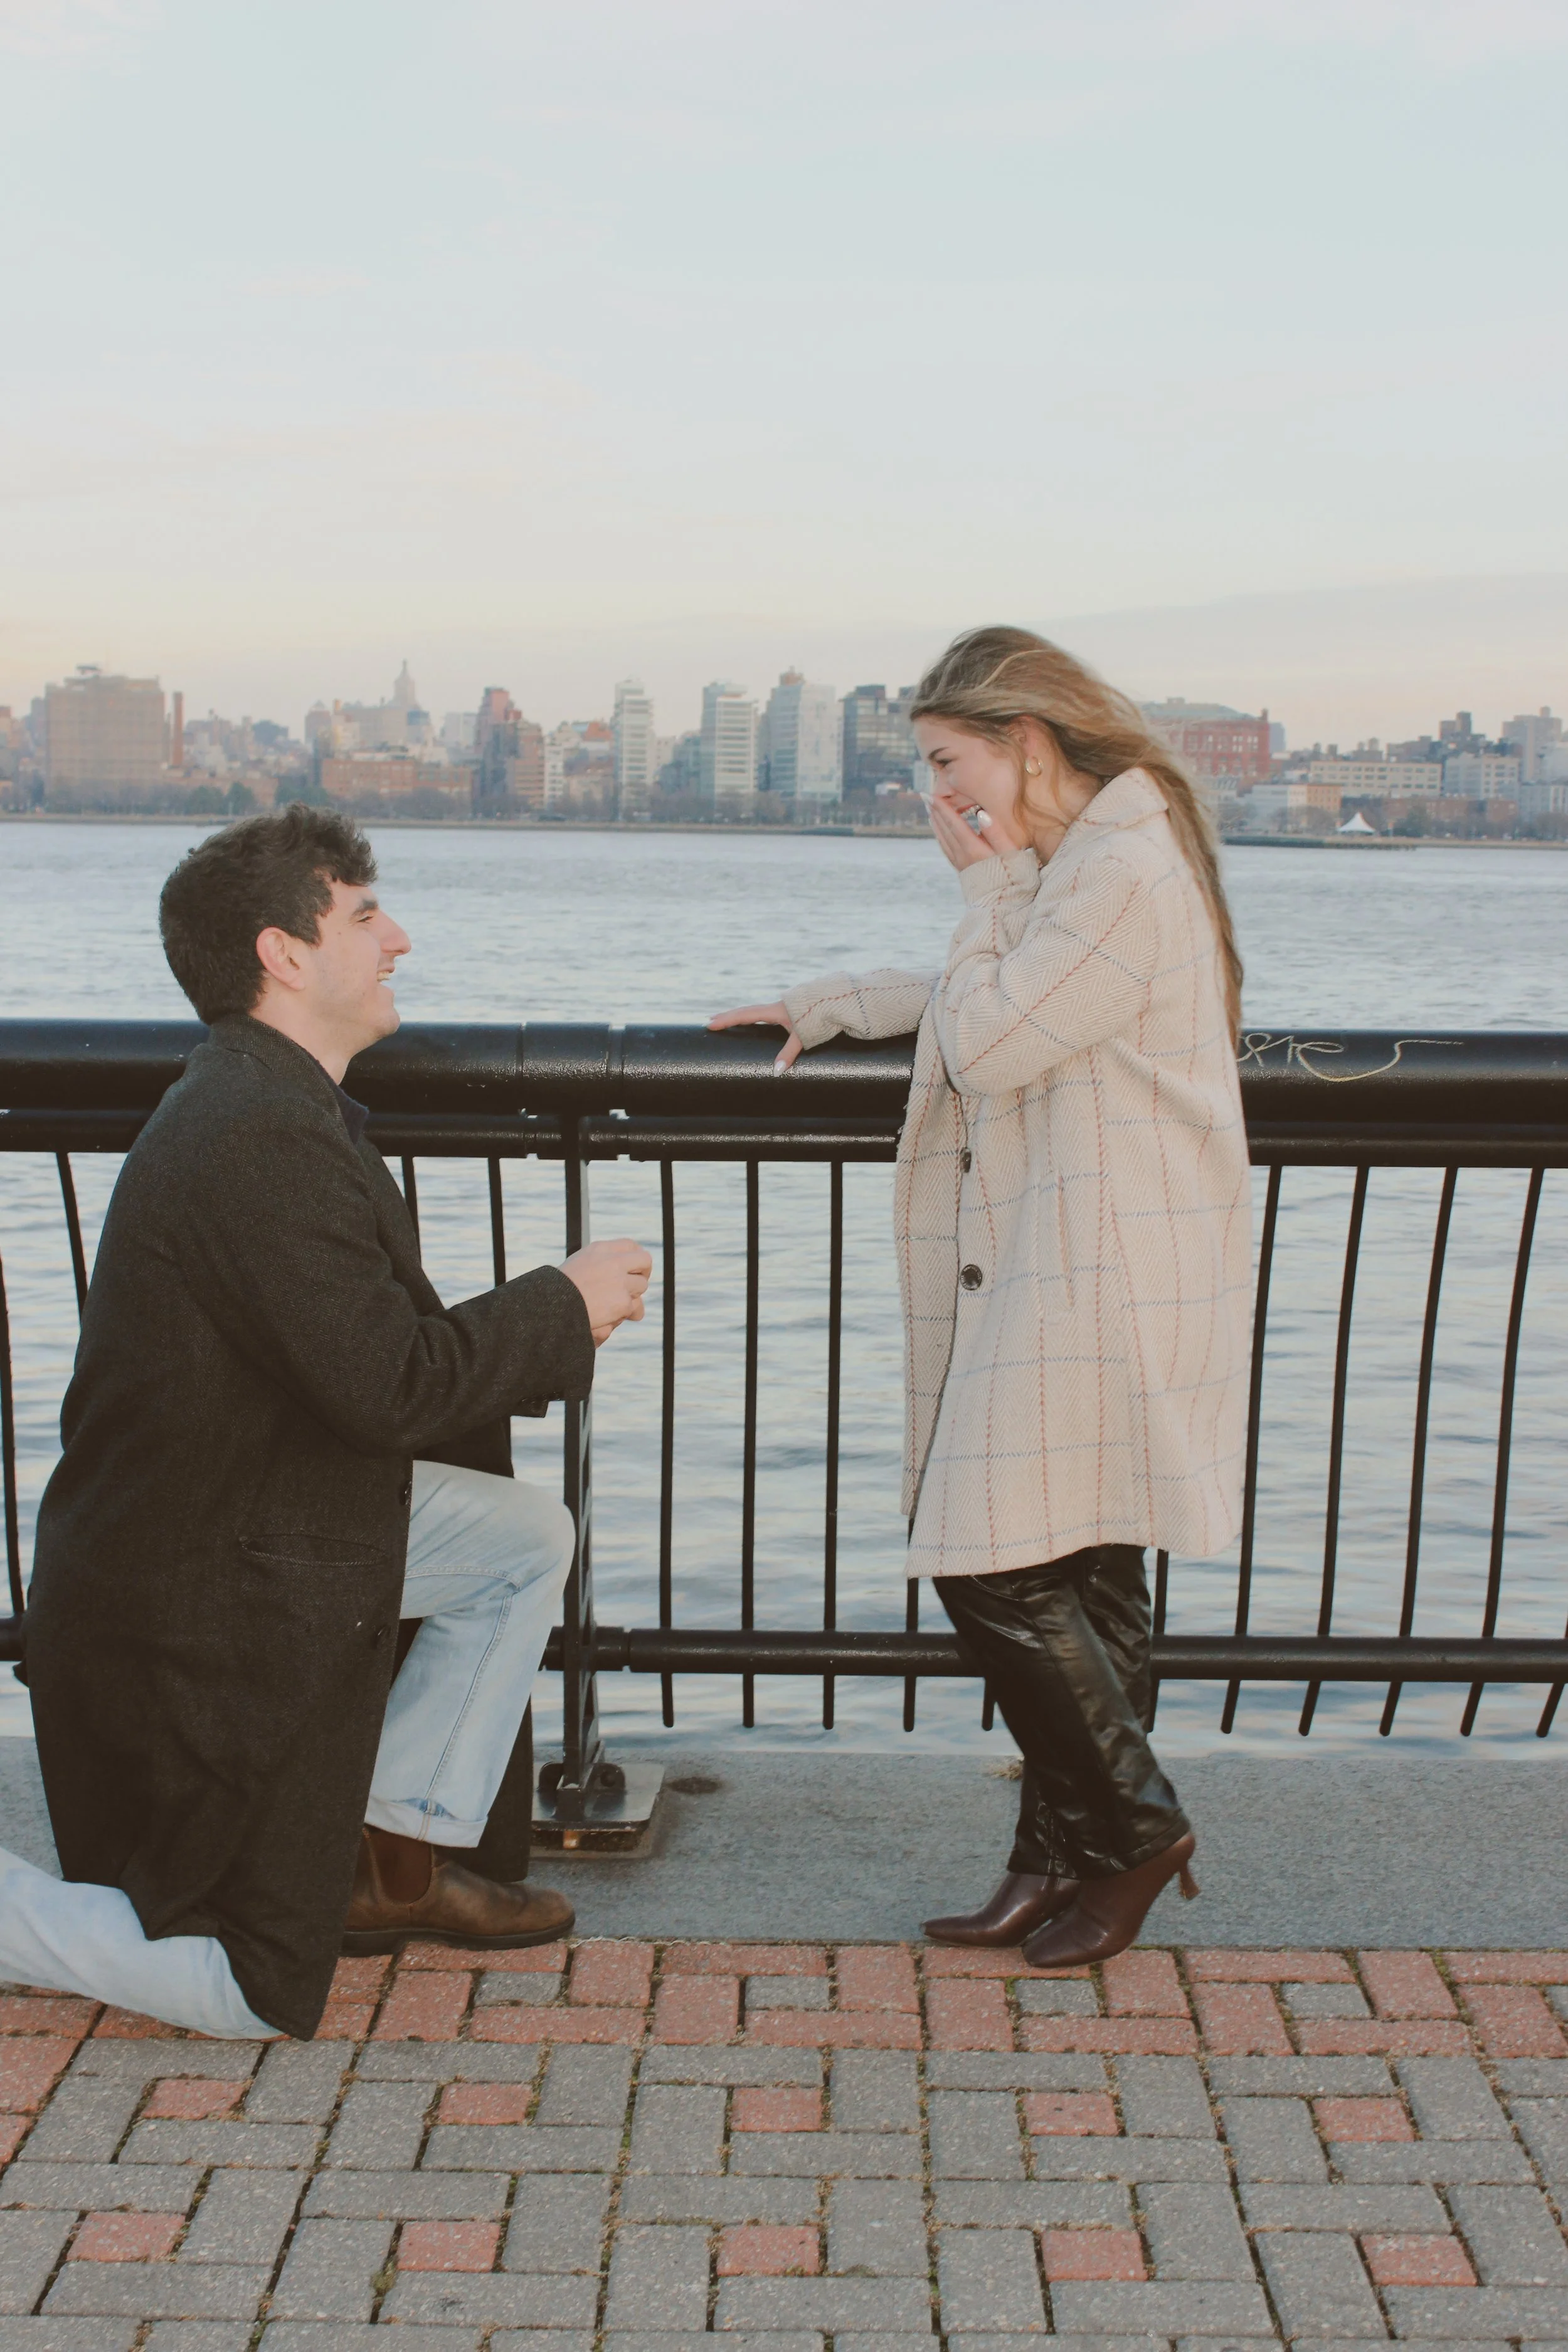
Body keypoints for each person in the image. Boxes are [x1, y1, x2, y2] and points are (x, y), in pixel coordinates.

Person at [1, 806, 651, 2040]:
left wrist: (544, 1317)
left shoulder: (267, 1107)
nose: (397, 936)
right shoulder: (254, 1137)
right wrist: (559, 1304)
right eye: (363, 913)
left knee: (517, 1539)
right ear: (283, 955)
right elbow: (393, 1388)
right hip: (189, 1610)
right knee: (247, 1990)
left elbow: (362, 1370)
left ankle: (386, 1864)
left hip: (238, 1534)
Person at [710, 627, 1251, 1968]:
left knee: (987, 1557)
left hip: (1103, 1264)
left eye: (946, 762)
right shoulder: (1097, 858)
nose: (933, 796)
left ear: (1023, 742)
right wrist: (828, 1004)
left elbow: (1000, 1031)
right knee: (1086, 1565)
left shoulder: (1115, 864)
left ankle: (1133, 1835)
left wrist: (982, 886)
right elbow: (1015, 986)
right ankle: (1055, 1857)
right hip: (1098, 1251)